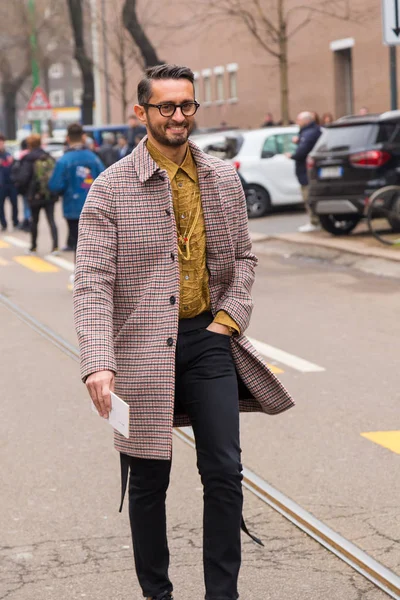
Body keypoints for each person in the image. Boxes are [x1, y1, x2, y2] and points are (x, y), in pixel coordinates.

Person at [73, 64, 294, 600]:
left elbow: (244, 258)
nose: (178, 116)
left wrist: (227, 320)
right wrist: (98, 359)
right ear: (141, 113)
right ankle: (158, 594)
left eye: (186, 106)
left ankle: (223, 594)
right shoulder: (110, 189)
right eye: (166, 107)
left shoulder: (222, 179)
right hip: (141, 349)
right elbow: (92, 283)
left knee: (224, 471)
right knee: (148, 480)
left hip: (207, 340)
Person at [48, 123, 104, 288]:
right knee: (97, 243)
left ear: (67, 138)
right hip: (95, 205)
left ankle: (80, 275)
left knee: (78, 243)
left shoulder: (64, 160)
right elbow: (106, 177)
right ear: (84, 137)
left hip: (73, 208)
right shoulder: (93, 158)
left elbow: (55, 185)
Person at [16, 134, 59, 254]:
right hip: (49, 194)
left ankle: (33, 247)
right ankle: (55, 247)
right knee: (52, 220)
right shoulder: (48, 156)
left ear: (29, 144)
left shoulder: (28, 158)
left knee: (35, 221)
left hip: (34, 195)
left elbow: (24, 177)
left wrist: (23, 190)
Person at [286, 111, 321, 233]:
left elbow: (302, 152)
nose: (297, 123)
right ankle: (315, 220)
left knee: (308, 196)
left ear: (306, 121)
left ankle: (314, 221)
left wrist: (292, 155)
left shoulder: (309, 133)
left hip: (307, 172)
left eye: (299, 120)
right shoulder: (310, 132)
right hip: (307, 171)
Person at [0, 134, 19, 231]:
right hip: (1, 185)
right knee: (1, 206)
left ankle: (15, 222)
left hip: (11, 183)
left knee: (14, 204)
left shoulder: (9, 153)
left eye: (2, 142)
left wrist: (13, 161)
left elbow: (16, 166)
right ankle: (4, 223)